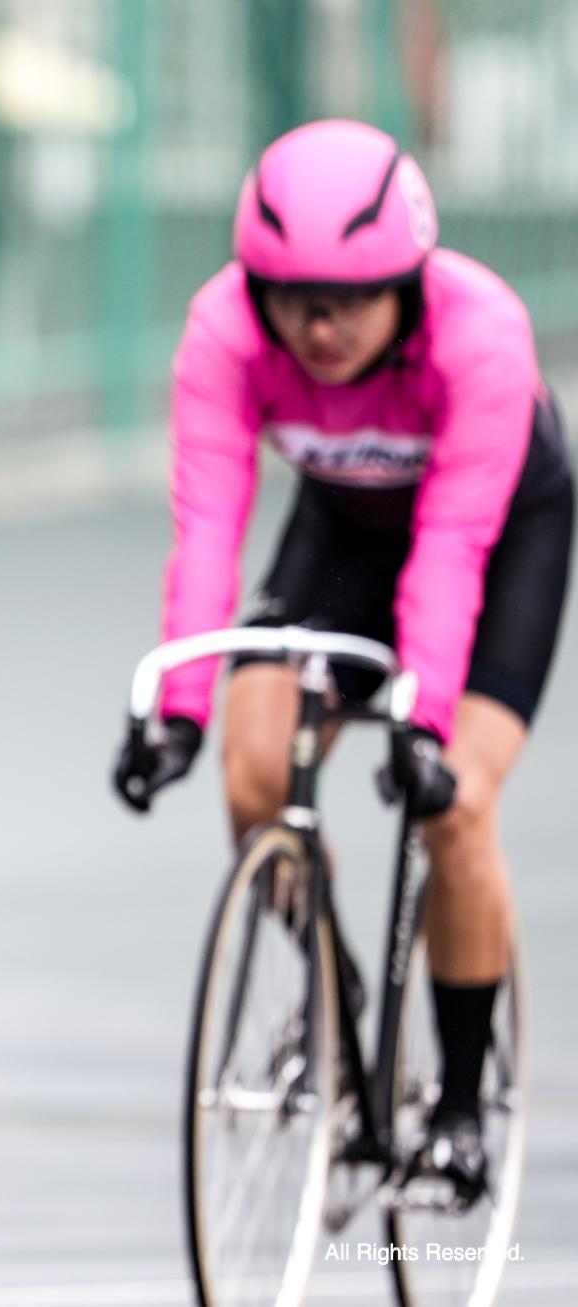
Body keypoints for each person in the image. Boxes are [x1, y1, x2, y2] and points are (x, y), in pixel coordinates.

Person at [114, 120, 572, 1201]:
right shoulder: (224, 331)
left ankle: (460, 1105)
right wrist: (176, 708)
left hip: (498, 541)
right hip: (344, 536)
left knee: (452, 805)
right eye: (289, 296)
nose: (315, 327)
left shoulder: (482, 335)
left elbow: (452, 551)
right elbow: (209, 528)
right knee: (251, 766)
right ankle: (333, 995)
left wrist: (421, 727)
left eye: (346, 300)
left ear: (408, 284)